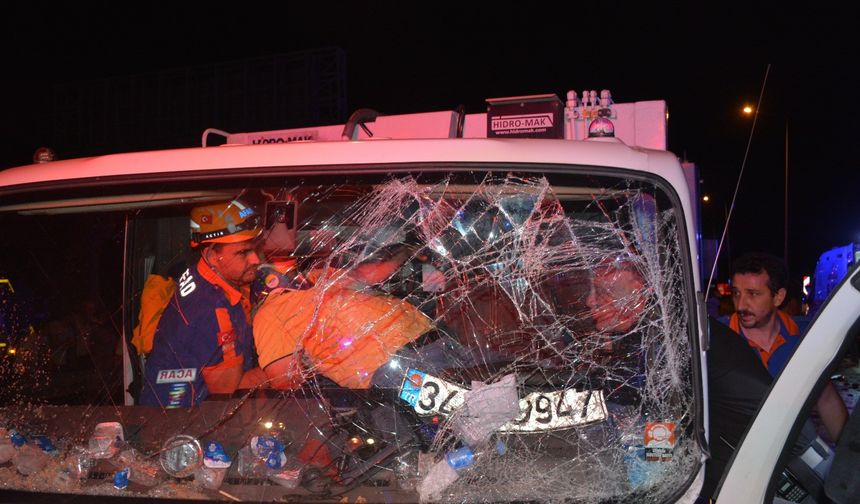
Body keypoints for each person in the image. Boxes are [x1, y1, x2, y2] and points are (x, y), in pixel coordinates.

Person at [253, 244, 440, 390]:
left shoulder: (318, 277)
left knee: (468, 397)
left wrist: (406, 251)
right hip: (392, 369)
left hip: (430, 338)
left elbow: (370, 274)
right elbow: (285, 382)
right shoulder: (270, 314)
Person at [140, 200, 268, 408]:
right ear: (211, 254)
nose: (255, 259)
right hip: (182, 426)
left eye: (256, 249)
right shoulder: (212, 309)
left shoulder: (201, 272)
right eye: (243, 252)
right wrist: (285, 369)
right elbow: (228, 392)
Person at [729, 252, 847, 442]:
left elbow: (825, 399)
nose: (741, 304)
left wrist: (850, 459)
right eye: (736, 293)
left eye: (753, 294)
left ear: (778, 297)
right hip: (733, 459)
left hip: (788, 455)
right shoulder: (715, 339)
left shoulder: (805, 337)